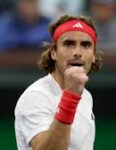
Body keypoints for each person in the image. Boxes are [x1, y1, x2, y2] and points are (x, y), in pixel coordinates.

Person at [14, 14, 102, 150]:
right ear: (53, 53)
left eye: (86, 45)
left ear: (94, 56)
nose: (77, 52)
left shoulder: (86, 96)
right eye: (69, 44)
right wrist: (70, 97)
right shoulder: (36, 96)